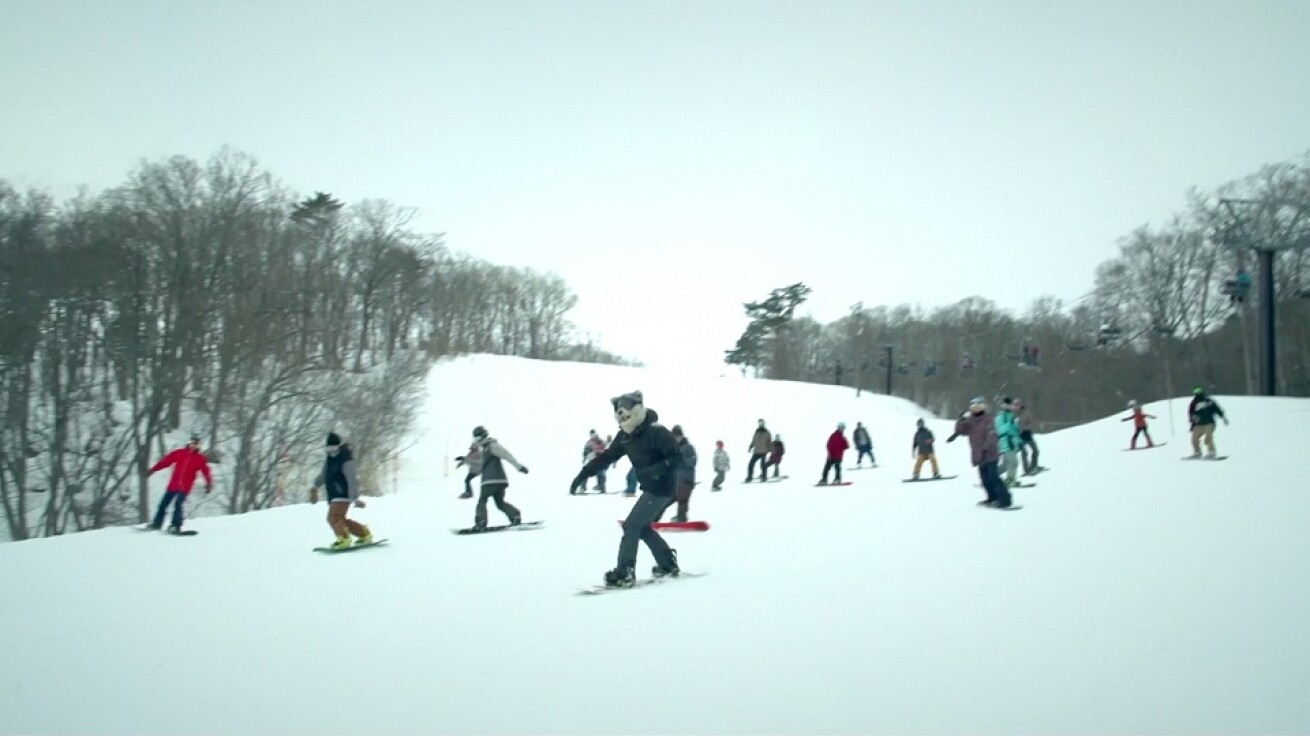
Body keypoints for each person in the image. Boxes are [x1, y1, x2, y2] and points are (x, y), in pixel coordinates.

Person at [570, 391, 681, 588]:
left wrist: (656, 470)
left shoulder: (657, 431)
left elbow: (678, 459)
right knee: (642, 527)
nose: (622, 417)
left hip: (664, 487)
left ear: (637, 410)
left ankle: (625, 573)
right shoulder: (625, 436)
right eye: (618, 414)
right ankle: (667, 564)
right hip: (650, 488)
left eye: (626, 412)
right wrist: (584, 474)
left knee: (631, 526)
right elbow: (607, 457)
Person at [309, 432, 373, 549]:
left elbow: (351, 479)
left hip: (343, 493)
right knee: (340, 519)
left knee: (333, 517)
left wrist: (354, 497)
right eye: (328, 448)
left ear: (338, 446)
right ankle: (364, 533)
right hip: (334, 494)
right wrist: (315, 485)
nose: (330, 450)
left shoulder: (345, 459)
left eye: (333, 447)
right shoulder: (329, 460)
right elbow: (324, 475)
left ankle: (344, 538)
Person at [948, 397, 1012, 509]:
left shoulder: (988, 419)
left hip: (989, 453)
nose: (974, 409)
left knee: (993, 477)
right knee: (984, 479)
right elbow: (961, 431)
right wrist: (961, 420)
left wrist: (985, 448)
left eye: (977, 407)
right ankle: (992, 498)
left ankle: (1004, 499)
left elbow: (992, 436)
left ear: (982, 407)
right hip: (978, 455)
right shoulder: (971, 421)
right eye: (972, 407)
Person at [147, 433, 213, 533]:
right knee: (163, 504)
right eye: (192, 443)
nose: (194, 446)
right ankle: (157, 524)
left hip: (185, 487)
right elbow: (165, 462)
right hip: (173, 485)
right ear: (189, 443)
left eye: (196, 444)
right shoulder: (179, 453)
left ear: (199, 446)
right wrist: (153, 469)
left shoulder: (200, 459)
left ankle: (175, 525)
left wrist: (209, 483)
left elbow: (206, 471)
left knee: (178, 504)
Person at [468, 425, 529, 529]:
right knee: (500, 503)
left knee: (482, 500)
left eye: (477, 438)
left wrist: (518, 466)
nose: (476, 440)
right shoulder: (481, 449)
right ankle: (515, 515)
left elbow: (506, 455)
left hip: (489, 481)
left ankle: (481, 521)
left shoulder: (490, 446)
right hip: (500, 480)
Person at [1187, 387, 1228, 458]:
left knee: (1208, 438)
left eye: (1199, 390)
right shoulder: (1193, 403)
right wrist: (1193, 419)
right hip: (1198, 424)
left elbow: (1216, 409)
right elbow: (1190, 412)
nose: (1197, 392)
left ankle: (1211, 452)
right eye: (1195, 391)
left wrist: (1223, 417)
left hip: (1209, 423)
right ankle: (1197, 452)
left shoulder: (1208, 401)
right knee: (1194, 439)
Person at [670, 425, 697, 522]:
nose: (676, 439)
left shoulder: (688, 447)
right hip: (678, 480)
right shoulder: (674, 448)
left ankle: (681, 518)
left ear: (681, 436)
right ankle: (680, 516)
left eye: (677, 437)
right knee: (674, 499)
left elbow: (693, 461)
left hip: (687, 479)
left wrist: (681, 460)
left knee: (683, 499)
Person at [995, 397, 1023, 486]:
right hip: (1005, 442)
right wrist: (1009, 424)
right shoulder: (1000, 416)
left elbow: (1015, 431)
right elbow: (999, 430)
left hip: (1012, 443)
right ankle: (1010, 479)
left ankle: (992, 476)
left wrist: (1019, 441)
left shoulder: (1011, 415)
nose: (1010, 407)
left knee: (1005, 464)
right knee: (1012, 462)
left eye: (1011, 405)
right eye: (1007, 405)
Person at [1013, 398, 1040, 474]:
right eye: (1015, 405)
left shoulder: (1026, 412)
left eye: (1018, 404)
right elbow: (1015, 426)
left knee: (1035, 450)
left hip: (1028, 434)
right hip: (1020, 436)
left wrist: (1030, 424)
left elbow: (1031, 421)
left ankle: (1034, 466)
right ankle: (1026, 469)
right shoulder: (1013, 415)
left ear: (1021, 404)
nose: (1016, 406)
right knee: (1024, 453)